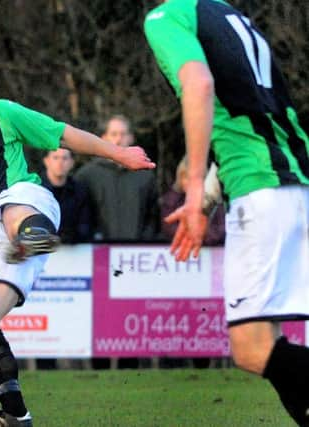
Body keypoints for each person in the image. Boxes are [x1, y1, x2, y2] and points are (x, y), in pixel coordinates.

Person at [0, 55, 154, 427]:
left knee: (9, 207)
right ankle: (16, 414)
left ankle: (33, 235)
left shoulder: (1, 114)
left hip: (29, 203)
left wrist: (118, 153)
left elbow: (62, 133)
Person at [145, 1, 309, 425]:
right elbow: (249, 112)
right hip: (294, 181)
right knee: (268, 339)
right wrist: (209, 195)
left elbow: (199, 86)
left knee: (252, 349)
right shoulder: (232, 17)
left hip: (260, 193)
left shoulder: (167, 17)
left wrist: (196, 184)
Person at [74, 115, 159, 242]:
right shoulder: (87, 175)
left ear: (131, 138)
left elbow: (153, 216)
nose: (118, 139)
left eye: (123, 134)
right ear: (104, 138)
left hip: (136, 250)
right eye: (114, 134)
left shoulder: (145, 175)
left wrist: (145, 240)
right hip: (96, 252)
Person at [160, 156, 224, 246]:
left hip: (210, 250)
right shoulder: (170, 200)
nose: (191, 183)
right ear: (180, 179)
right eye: (186, 178)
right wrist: (190, 235)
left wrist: (201, 234)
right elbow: (167, 227)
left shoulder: (215, 200)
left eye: (196, 178)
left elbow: (220, 230)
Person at [41, 148, 92, 244]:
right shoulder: (36, 190)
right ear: (46, 161)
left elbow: (85, 224)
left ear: (72, 163)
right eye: (55, 158)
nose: (60, 163)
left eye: (64, 158)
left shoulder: (80, 191)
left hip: (73, 250)